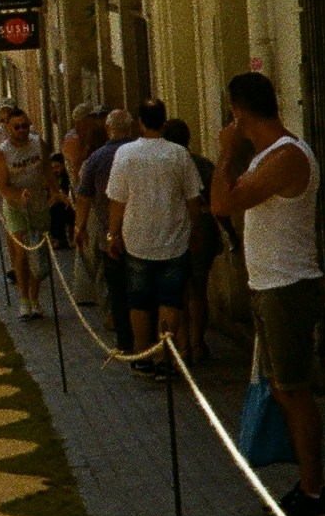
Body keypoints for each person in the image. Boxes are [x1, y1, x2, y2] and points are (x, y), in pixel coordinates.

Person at [212, 70, 325, 516]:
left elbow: (222, 204)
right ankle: (306, 480)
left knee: (293, 390)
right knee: (282, 391)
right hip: (268, 285)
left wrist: (226, 152)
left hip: (288, 286)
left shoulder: (284, 157)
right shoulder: (266, 156)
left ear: (239, 112)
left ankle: (315, 489)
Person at [105, 97, 200, 367]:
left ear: (140, 122)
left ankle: (143, 353)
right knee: (170, 299)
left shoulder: (125, 154)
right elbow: (193, 198)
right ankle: (163, 357)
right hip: (174, 238)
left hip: (137, 239)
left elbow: (116, 199)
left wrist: (113, 233)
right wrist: (195, 229)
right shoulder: (179, 154)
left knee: (139, 300)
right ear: (164, 119)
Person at [74, 109, 137, 351]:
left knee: (118, 291)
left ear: (110, 130)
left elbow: (84, 196)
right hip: (144, 234)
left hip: (110, 236)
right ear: (131, 128)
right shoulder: (141, 153)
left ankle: (125, 341)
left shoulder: (97, 158)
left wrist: (79, 227)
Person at [0, 104, 53, 318]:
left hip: (39, 204)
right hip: (15, 207)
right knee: (22, 252)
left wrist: (55, 191)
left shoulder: (38, 144)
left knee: (38, 252)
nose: (22, 130)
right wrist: (18, 195)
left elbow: (46, 171)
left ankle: (35, 298)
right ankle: (24, 298)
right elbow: (2, 186)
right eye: (17, 127)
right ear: (9, 129)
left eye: (25, 126)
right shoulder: (2, 152)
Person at [165, 116, 221, 361]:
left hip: (175, 228)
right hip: (203, 226)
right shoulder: (203, 164)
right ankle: (198, 344)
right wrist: (228, 233)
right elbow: (217, 201)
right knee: (199, 289)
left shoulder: (165, 167)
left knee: (179, 291)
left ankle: (183, 345)